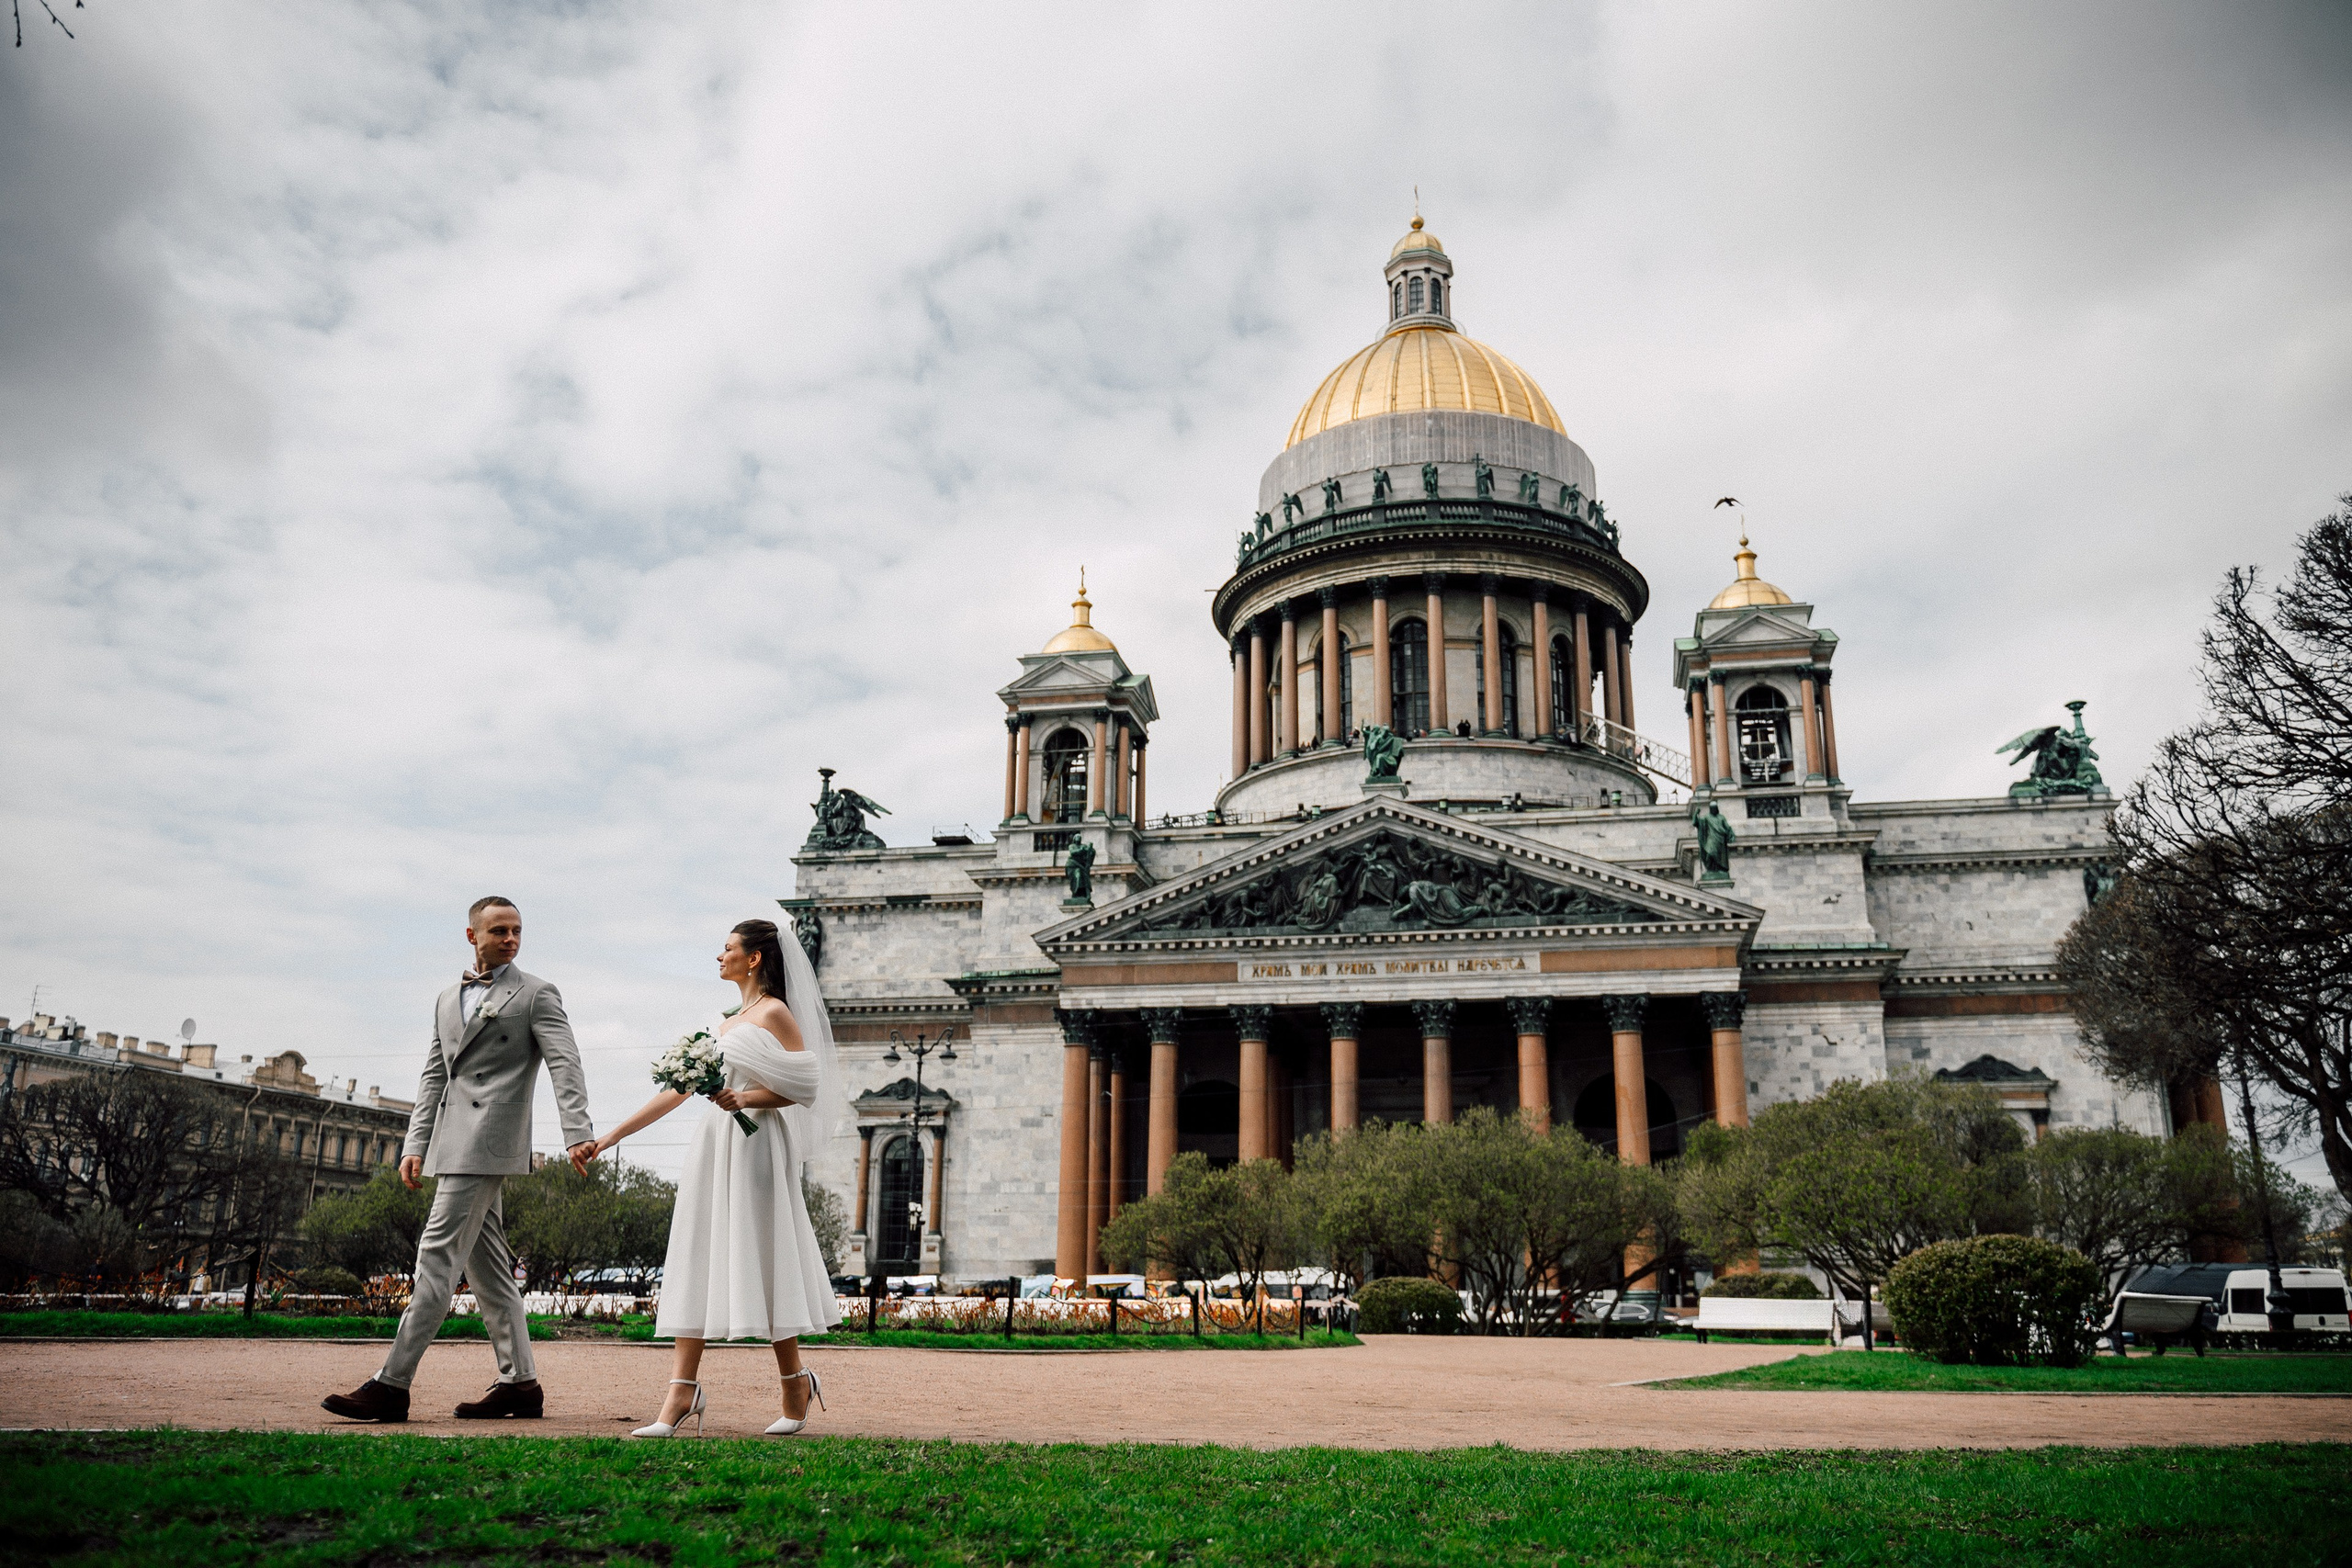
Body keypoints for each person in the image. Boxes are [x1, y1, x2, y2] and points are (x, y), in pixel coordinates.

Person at [322, 897, 595, 1424]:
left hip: (489, 1141)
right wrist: (415, 1143)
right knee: (490, 1269)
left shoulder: (537, 994)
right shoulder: (449, 998)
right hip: (452, 1142)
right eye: (499, 931)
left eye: (517, 930)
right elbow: (433, 1076)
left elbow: (566, 1062)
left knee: (435, 1259)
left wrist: (576, 1132)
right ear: (472, 936)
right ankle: (520, 1384)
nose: (511, 939)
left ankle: (391, 1385)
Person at [590, 918, 844, 1437]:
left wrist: (747, 1097)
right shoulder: (725, 1022)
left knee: (766, 1252)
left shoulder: (775, 1013)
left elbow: (805, 1086)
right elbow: (677, 1091)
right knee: (698, 1252)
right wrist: (612, 1136)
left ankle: (795, 1381)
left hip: (756, 1146)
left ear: (753, 959)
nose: (719, 956)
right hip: (714, 1144)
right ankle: (681, 1394)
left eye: (727, 949)